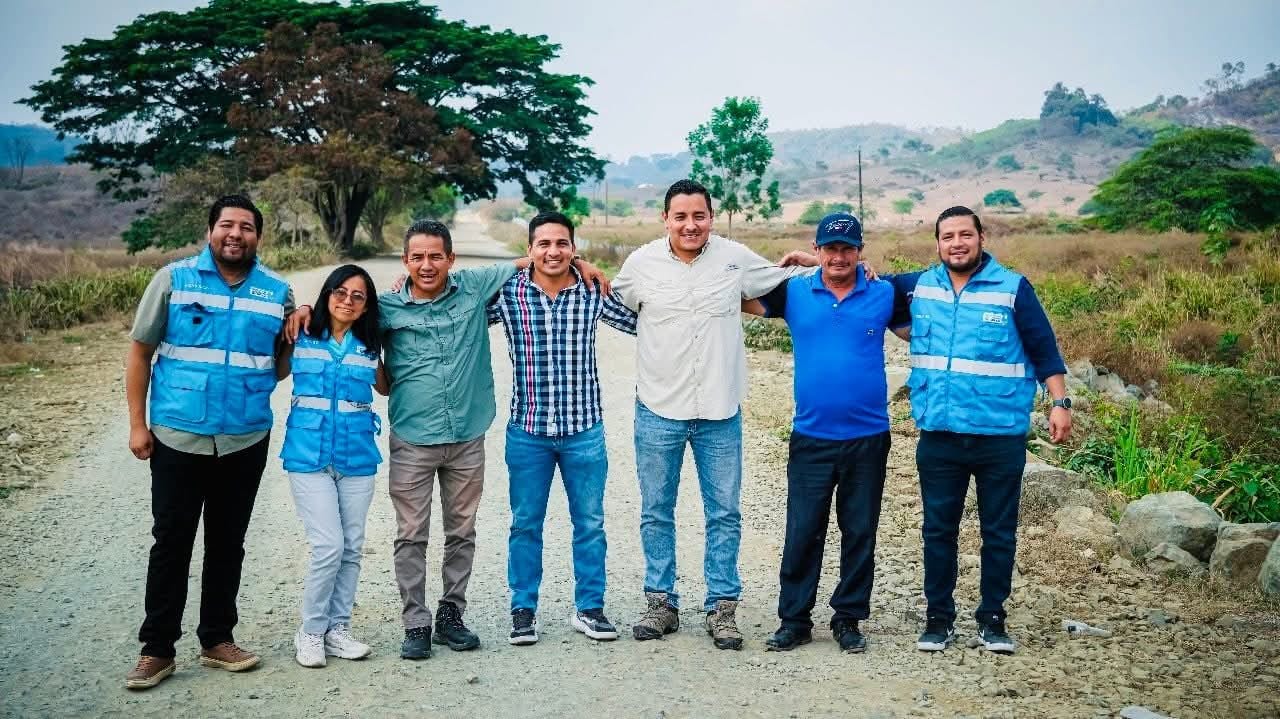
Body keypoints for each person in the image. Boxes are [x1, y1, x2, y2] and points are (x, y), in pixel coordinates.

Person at [288, 220, 608, 659]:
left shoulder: (473, 287)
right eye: (417, 257)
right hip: (412, 437)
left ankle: (451, 615)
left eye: (436, 256)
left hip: (466, 436)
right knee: (411, 534)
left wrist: (579, 261)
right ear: (405, 261)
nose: (427, 265)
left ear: (451, 259)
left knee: (461, 531)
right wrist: (305, 308)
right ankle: (415, 623)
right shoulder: (386, 309)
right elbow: (344, 312)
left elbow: (533, 260)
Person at [611, 179, 807, 650]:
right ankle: (661, 603)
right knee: (656, 511)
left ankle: (722, 607)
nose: (690, 225)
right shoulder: (640, 264)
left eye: (699, 216)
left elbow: (787, 283)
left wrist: (818, 260)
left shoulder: (735, 259)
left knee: (724, 512)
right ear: (665, 219)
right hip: (658, 407)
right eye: (680, 216)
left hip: (720, 408)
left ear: (711, 218)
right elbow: (615, 301)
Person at [124, 194, 294, 689]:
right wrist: (138, 424)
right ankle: (157, 649)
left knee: (227, 543)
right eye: (227, 225)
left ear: (258, 237)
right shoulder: (173, 281)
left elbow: (279, 367)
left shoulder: (276, 292)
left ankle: (217, 639)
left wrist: (297, 329)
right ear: (210, 231)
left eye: (246, 227)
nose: (235, 234)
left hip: (245, 437)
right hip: (179, 436)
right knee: (171, 543)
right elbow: (139, 354)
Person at [897, 206, 1072, 655]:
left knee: (998, 532)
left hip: (999, 436)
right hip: (940, 435)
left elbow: (1044, 349)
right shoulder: (918, 286)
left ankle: (992, 619)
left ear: (981, 237)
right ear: (937, 243)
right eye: (948, 236)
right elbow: (858, 280)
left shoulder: (1013, 289)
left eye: (965, 235)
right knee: (938, 531)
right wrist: (814, 261)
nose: (957, 243)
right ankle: (938, 620)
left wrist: (1059, 403)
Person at [742, 213, 910, 654]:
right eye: (830, 249)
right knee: (803, 529)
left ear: (860, 251)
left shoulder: (883, 292)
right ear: (816, 250)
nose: (839, 257)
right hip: (811, 435)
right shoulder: (794, 292)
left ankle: (848, 619)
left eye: (847, 249)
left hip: (868, 436)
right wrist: (783, 269)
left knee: (859, 530)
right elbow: (736, 294)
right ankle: (794, 620)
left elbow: (920, 321)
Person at [486, 212, 638, 645]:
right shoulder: (509, 292)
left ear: (573, 248)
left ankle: (590, 608)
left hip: (583, 429)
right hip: (528, 429)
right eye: (544, 244)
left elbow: (642, 323)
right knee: (525, 523)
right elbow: (457, 306)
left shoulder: (591, 290)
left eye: (562, 244)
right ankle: (523, 610)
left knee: (589, 523)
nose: (553, 252)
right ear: (529, 250)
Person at [278, 265, 388, 668]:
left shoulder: (371, 344)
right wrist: (297, 314)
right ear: (327, 295)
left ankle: (337, 629)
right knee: (329, 545)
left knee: (353, 546)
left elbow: (386, 386)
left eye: (358, 296)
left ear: (366, 306)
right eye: (340, 292)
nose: (347, 300)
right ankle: (310, 631)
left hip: (357, 456)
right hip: (308, 456)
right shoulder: (302, 333)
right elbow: (276, 370)